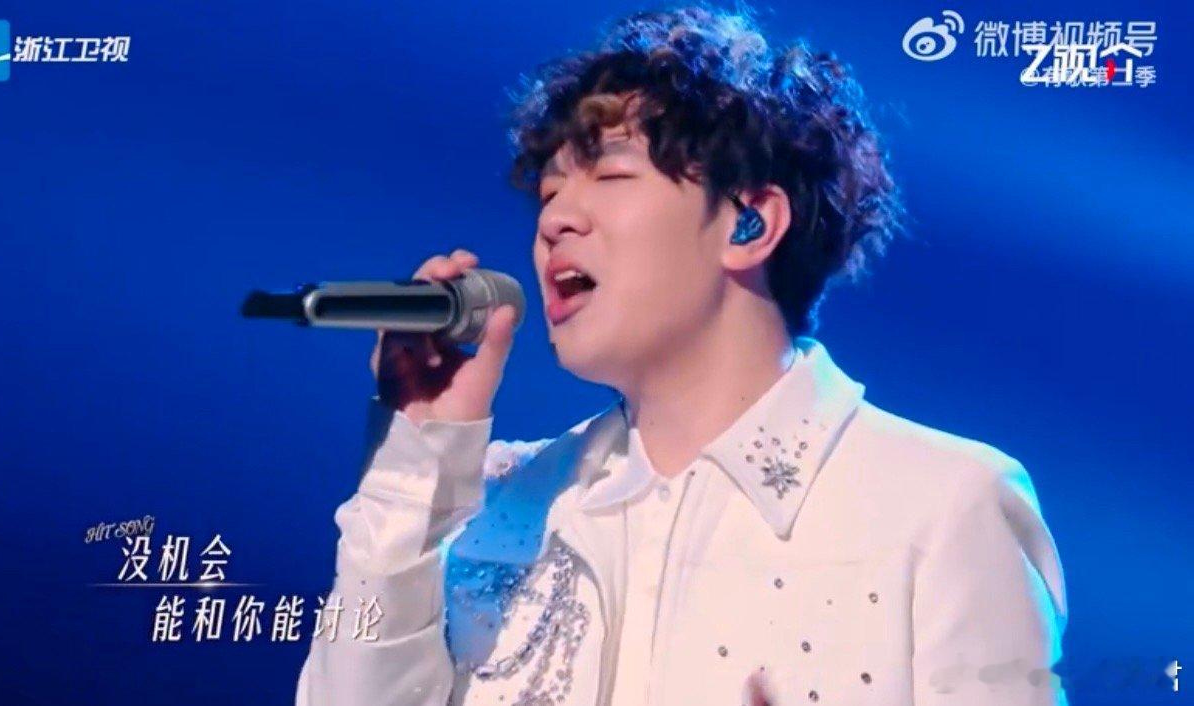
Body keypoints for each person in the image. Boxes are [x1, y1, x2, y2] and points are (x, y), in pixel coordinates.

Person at [296, 4, 1068, 705]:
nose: (556, 220)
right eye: (549, 193)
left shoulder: (941, 503)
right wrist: (412, 465)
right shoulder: (494, 503)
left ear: (748, 224)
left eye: (610, 174)